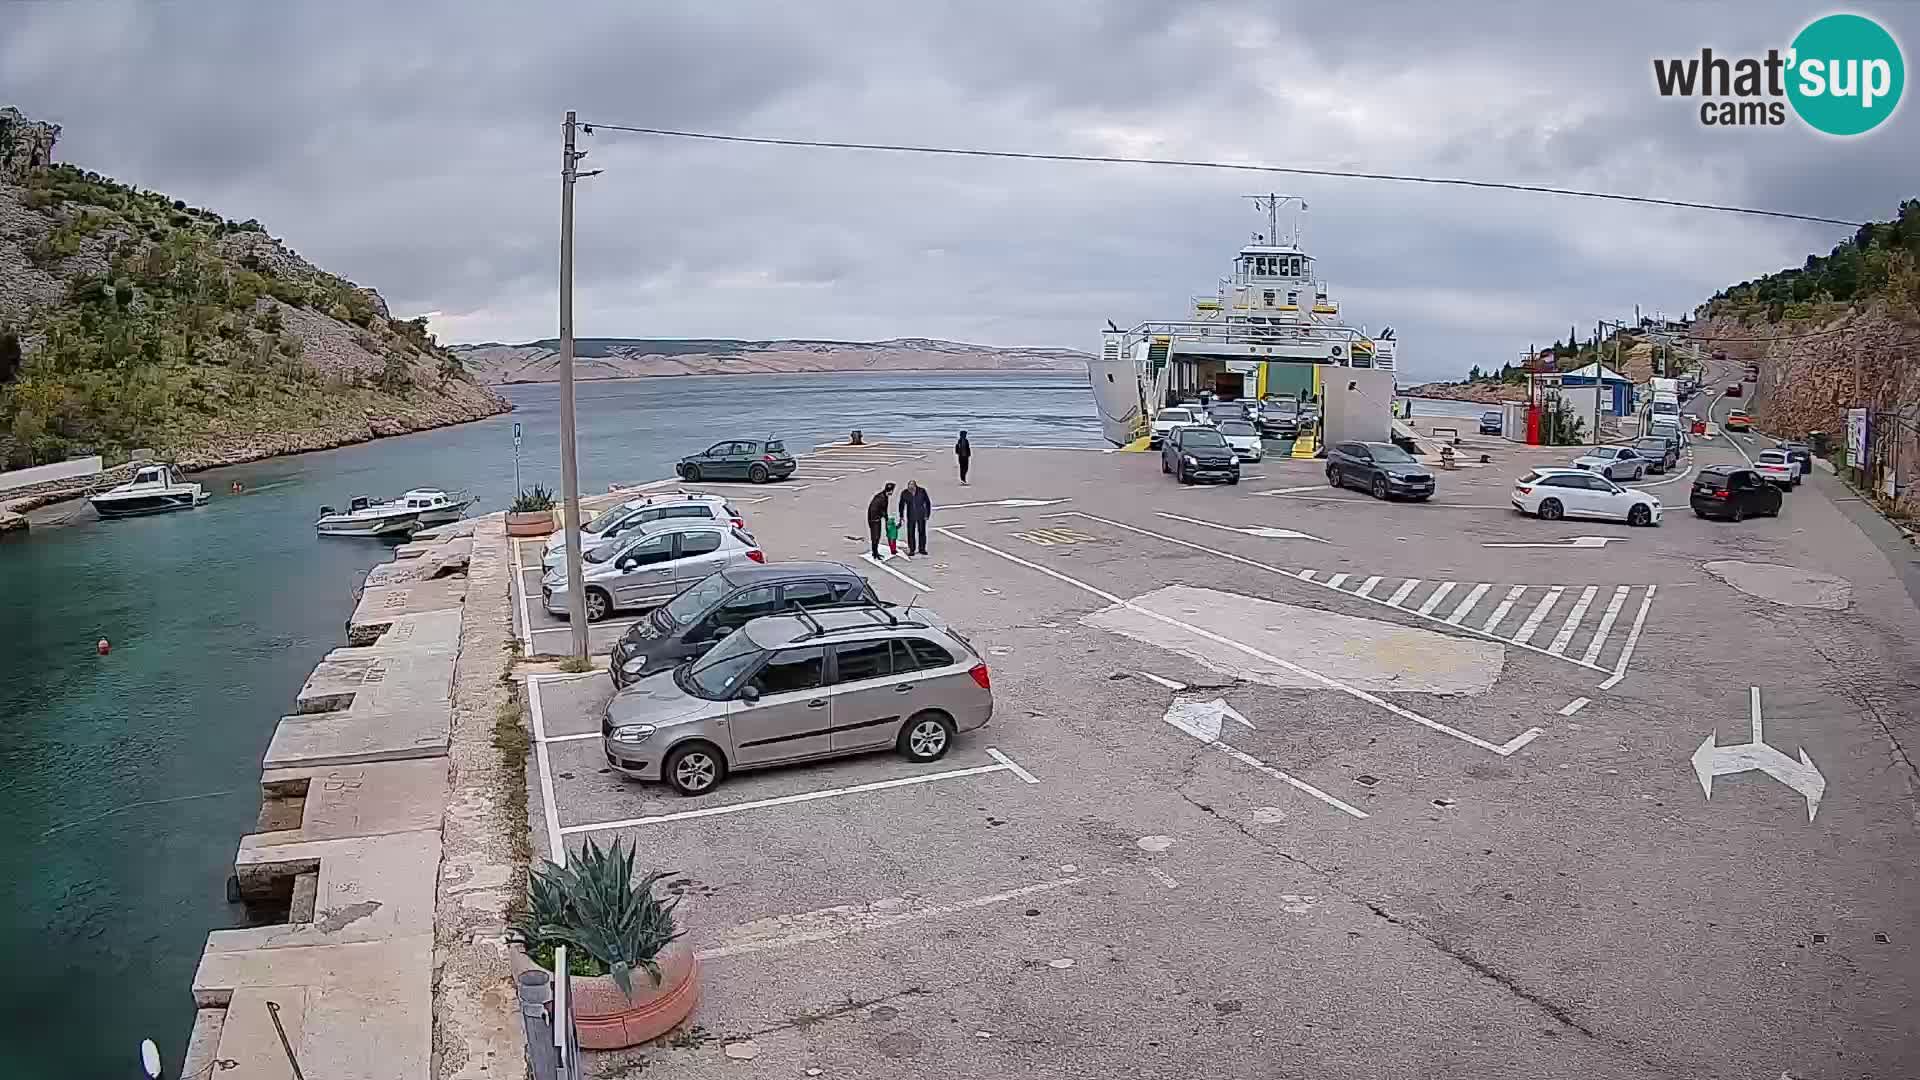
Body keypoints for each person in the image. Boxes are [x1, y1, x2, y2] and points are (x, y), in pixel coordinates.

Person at [898, 480, 933, 556]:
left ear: (915, 486)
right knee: (910, 533)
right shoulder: (905, 493)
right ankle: (912, 549)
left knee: (922, 532)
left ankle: (922, 549)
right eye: (909, 487)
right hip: (911, 516)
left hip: (921, 515)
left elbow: (927, 502)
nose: (910, 489)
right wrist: (901, 515)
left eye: (911, 487)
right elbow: (901, 504)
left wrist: (927, 514)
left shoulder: (922, 491)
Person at [865, 483, 895, 558]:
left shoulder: (883, 496)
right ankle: (875, 553)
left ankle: (875, 552)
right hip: (874, 520)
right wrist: (885, 517)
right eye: (892, 491)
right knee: (875, 537)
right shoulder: (881, 498)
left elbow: (883, 509)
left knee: (876, 537)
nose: (892, 492)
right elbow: (880, 510)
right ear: (890, 491)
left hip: (876, 519)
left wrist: (886, 518)